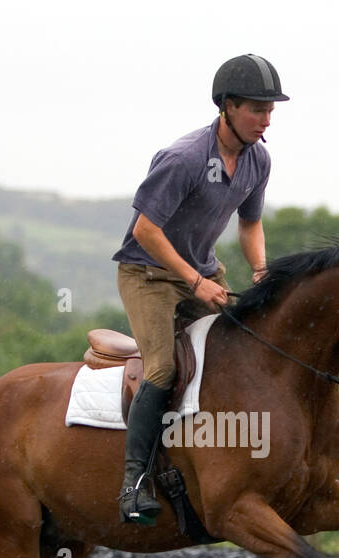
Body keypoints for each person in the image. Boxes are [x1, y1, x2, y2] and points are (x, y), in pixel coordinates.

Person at [113, 53, 289, 524]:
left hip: (203, 273)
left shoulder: (258, 159)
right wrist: (194, 281)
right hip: (147, 274)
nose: (266, 119)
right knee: (163, 369)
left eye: (271, 110)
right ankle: (133, 484)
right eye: (257, 109)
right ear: (227, 106)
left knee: (243, 351)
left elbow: (250, 224)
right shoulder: (185, 158)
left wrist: (259, 269)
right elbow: (147, 231)